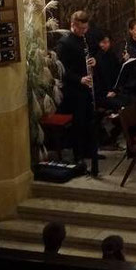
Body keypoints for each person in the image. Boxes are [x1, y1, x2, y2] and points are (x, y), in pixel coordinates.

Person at [54, 10, 98, 175]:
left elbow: (87, 58)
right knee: (78, 123)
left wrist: (94, 61)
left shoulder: (84, 40)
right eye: (81, 29)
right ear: (73, 25)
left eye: (85, 28)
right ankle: (78, 155)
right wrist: (79, 79)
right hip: (73, 90)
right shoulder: (64, 44)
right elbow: (61, 70)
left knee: (88, 120)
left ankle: (89, 151)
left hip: (85, 88)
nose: (84, 32)